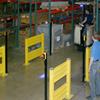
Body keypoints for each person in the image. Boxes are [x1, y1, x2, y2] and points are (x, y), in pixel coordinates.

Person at [87, 32, 100, 100]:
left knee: (92, 81)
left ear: (93, 38)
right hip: (99, 63)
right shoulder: (99, 43)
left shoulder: (94, 46)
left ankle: (93, 97)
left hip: (94, 64)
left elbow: (92, 58)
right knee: (97, 78)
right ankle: (98, 92)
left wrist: (89, 68)